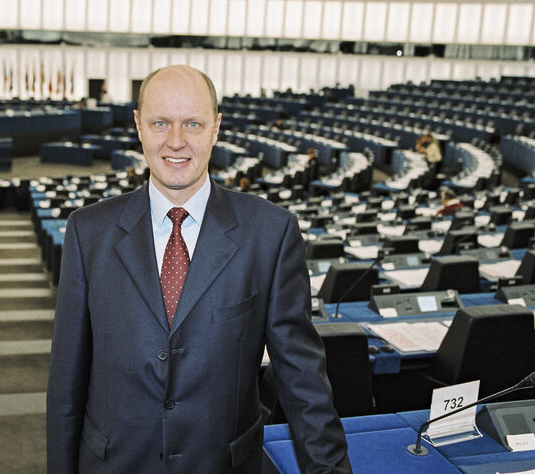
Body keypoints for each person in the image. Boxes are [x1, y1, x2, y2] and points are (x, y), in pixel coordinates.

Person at [47, 65, 351, 474]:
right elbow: (66, 384)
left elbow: (303, 382)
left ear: (216, 128)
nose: (176, 141)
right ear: (138, 126)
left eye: (193, 123)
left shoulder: (270, 233)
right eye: (160, 123)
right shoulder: (89, 232)